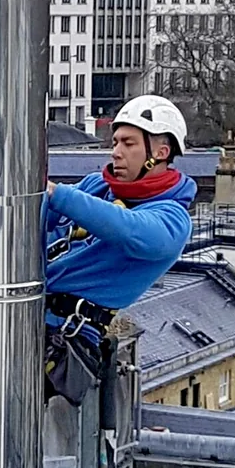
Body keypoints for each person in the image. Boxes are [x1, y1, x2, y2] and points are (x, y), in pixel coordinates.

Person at [43, 95, 198, 406]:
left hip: (66, 341)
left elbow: (128, 229)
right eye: (115, 142)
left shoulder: (172, 220)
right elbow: (41, 217)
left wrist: (56, 194)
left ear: (160, 152)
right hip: (31, 315)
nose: (116, 152)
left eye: (128, 143)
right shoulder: (98, 187)